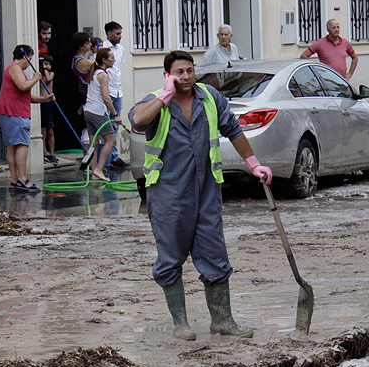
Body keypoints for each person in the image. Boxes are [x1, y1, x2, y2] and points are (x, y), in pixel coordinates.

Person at [129, 50, 272, 341]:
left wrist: (253, 164)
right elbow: (137, 121)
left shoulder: (210, 98)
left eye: (189, 71)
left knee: (214, 254)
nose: (185, 77)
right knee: (170, 258)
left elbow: (233, 130)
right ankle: (180, 323)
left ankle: (222, 321)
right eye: (179, 72)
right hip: (169, 194)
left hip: (206, 191)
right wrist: (164, 97)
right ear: (168, 75)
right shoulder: (156, 100)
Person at [0, 44, 54, 192]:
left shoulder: (14, 70)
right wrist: (36, 78)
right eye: (30, 59)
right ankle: (22, 179)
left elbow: (24, 95)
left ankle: (15, 180)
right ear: (24, 57)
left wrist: (44, 99)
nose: (30, 63)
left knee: (12, 145)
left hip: (9, 111)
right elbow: (23, 86)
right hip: (15, 112)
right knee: (21, 144)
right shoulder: (15, 68)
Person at [83, 48, 120, 182]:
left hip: (88, 111)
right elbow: (106, 97)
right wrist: (115, 114)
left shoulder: (93, 72)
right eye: (111, 57)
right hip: (98, 112)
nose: (114, 60)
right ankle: (99, 169)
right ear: (104, 60)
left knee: (94, 144)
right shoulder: (103, 75)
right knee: (111, 141)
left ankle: (94, 173)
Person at [102, 21, 129, 168]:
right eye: (117, 34)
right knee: (107, 125)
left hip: (117, 90)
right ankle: (107, 158)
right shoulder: (103, 48)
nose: (120, 37)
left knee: (116, 124)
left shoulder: (120, 49)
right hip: (108, 90)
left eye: (120, 33)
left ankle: (114, 156)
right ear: (109, 34)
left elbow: (117, 68)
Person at [39, 53, 58, 164]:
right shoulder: (38, 75)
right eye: (45, 64)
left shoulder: (51, 73)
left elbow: (48, 78)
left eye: (49, 64)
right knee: (43, 130)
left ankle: (52, 153)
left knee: (50, 129)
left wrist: (45, 69)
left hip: (49, 103)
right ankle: (44, 151)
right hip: (41, 101)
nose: (48, 66)